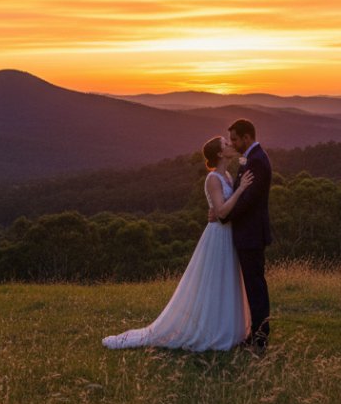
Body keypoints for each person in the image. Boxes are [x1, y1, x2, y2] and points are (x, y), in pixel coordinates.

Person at [101, 136, 254, 351]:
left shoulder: (227, 175)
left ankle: (225, 328)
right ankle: (210, 331)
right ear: (220, 154)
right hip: (218, 236)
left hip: (228, 235)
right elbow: (220, 211)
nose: (230, 145)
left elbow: (224, 210)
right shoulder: (213, 179)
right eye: (226, 144)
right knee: (213, 283)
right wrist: (241, 190)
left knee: (226, 282)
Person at [214, 118, 272, 349]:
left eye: (235, 139)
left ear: (246, 137)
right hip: (247, 233)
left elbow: (248, 200)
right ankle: (256, 333)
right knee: (252, 285)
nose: (232, 143)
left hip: (251, 234)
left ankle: (260, 338)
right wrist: (219, 210)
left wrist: (223, 216)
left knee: (255, 286)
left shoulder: (257, 161)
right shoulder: (251, 158)